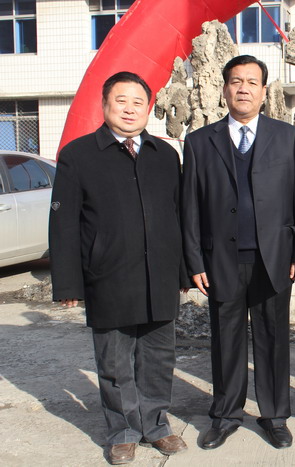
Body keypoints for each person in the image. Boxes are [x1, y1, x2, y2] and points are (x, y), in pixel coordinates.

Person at [49, 71, 188, 465]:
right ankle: (122, 431)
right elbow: (64, 222)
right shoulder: (79, 155)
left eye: (138, 102)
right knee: (114, 363)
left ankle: (156, 424)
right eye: (121, 101)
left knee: (159, 359)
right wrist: (68, 282)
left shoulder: (165, 155)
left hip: (159, 275)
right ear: (105, 105)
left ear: (149, 107)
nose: (130, 109)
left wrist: (182, 271)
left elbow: (179, 216)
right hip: (108, 276)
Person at [180, 55, 295, 450]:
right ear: (224, 89)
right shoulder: (200, 142)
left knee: (274, 339)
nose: (243, 89)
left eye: (252, 82)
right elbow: (190, 207)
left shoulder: (286, 137)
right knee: (227, 341)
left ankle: (275, 416)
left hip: (274, 258)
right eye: (236, 81)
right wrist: (194, 261)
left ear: (264, 91)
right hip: (221, 260)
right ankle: (225, 415)